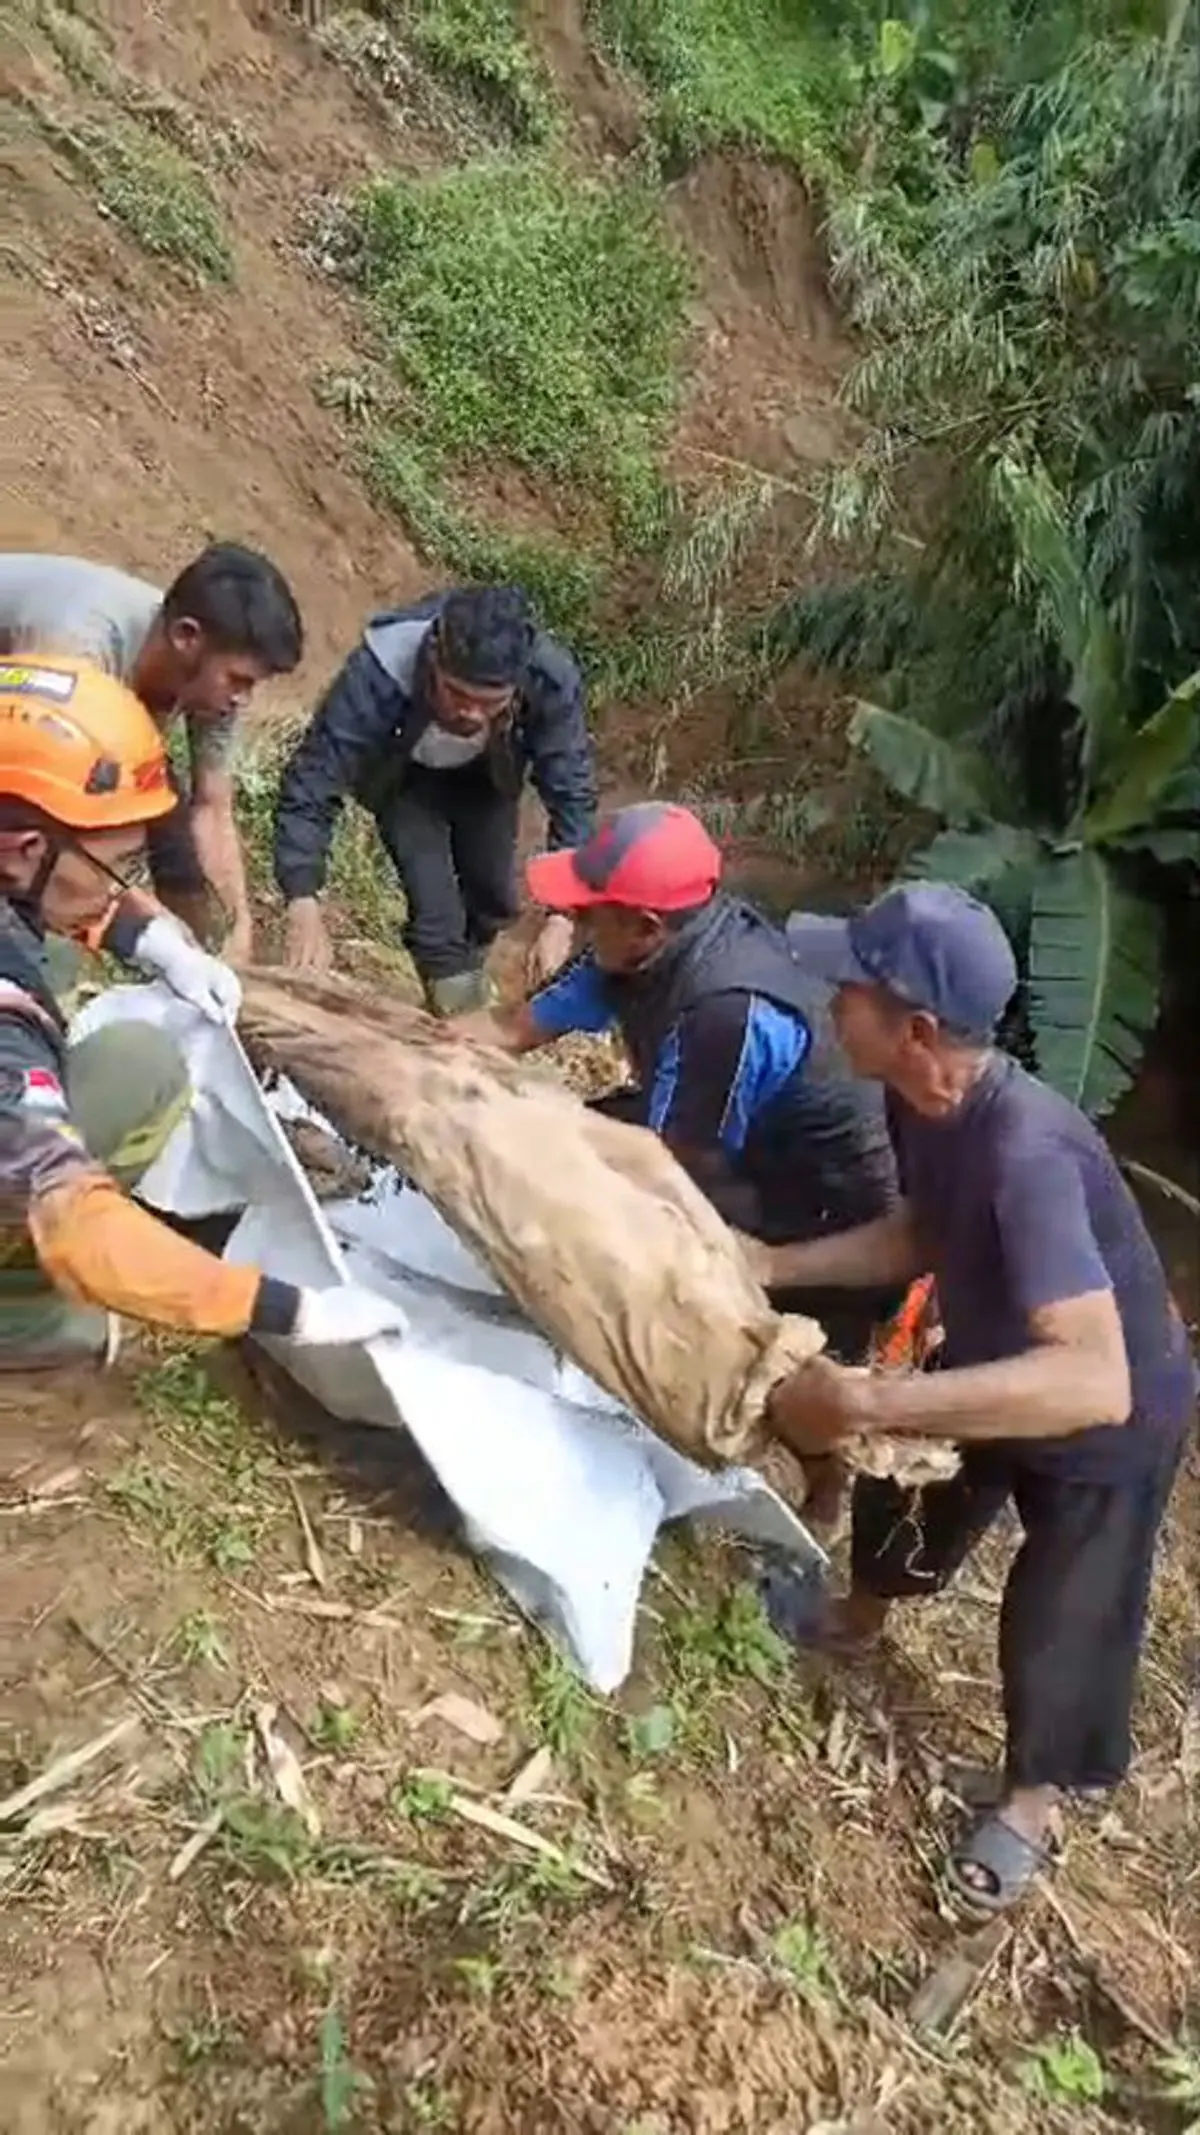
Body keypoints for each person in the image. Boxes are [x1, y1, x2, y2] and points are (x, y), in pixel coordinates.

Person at [756, 880, 1195, 1914]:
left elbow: (1091, 1375)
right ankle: (856, 1616)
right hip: (1007, 1348)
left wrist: (865, 1400)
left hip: (1115, 1410)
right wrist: (773, 1262)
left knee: (1067, 1600)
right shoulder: (923, 1101)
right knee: (915, 1489)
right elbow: (922, 1232)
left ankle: (1033, 1800)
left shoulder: (1024, 1149)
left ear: (912, 1025)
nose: (831, 1006)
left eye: (848, 991)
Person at [0, 654, 405, 1372]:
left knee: (59, 958)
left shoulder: (25, 868)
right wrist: (280, 1306)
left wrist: (155, 942)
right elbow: (74, 1220)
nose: (125, 886)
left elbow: (60, 898)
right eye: (116, 864)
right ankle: (21, 1312)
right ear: (27, 848)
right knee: (140, 1068)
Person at [461, 802, 904, 1378]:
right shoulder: (636, 946)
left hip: (818, 1203)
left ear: (645, 925)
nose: (578, 921)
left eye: (591, 913)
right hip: (728, 1143)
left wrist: (541, 1141)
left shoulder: (726, 1011)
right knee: (565, 1149)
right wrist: (404, 1048)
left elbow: (673, 1167)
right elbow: (511, 1029)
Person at [273, 585, 595, 1015]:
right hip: (403, 778)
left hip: (486, 777)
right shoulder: (380, 670)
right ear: (433, 659)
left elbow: (571, 792)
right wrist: (302, 898)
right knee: (436, 915)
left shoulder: (547, 679)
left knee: (493, 898)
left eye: (490, 703)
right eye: (457, 695)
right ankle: (461, 1018)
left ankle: (463, 979)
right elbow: (314, 779)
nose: (472, 714)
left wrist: (563, 913)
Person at [0, 545, 303, 961]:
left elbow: (212, 808)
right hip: (25, 721)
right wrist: (142, 924)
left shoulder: (211, 677)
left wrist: (234, 936)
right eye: (238, 680)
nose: (242, 699)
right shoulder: (76, 648)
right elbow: (34, 815)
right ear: (186, 637)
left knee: (169, 828)